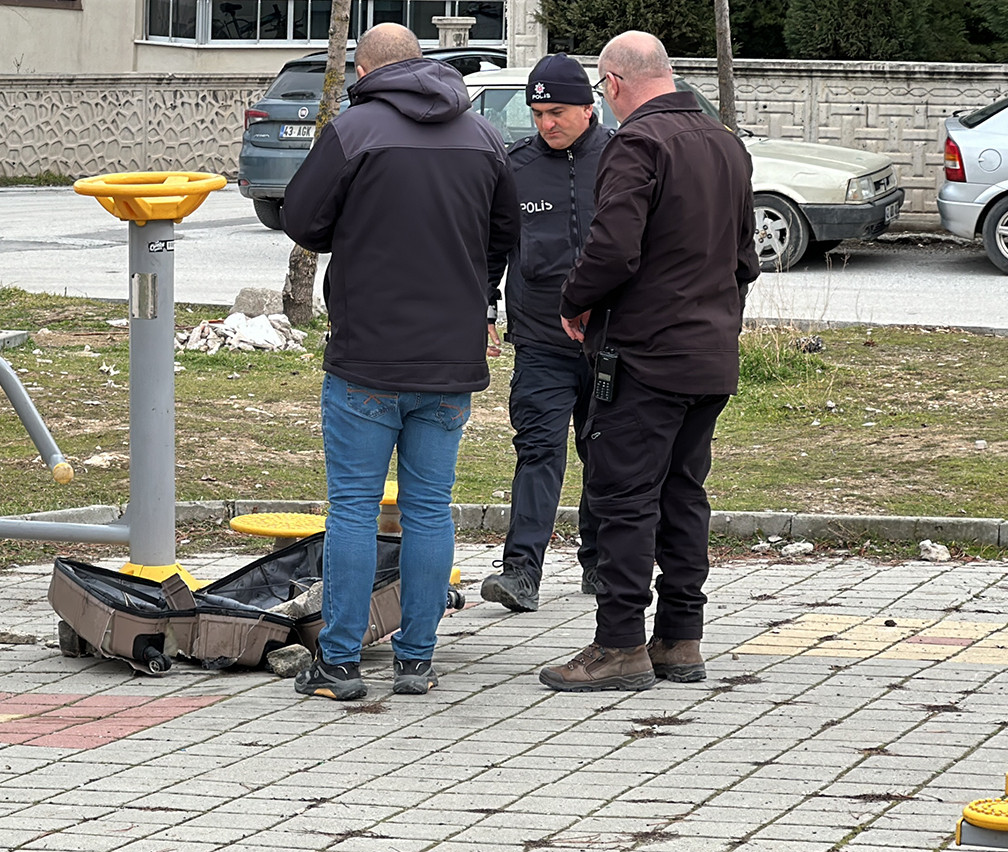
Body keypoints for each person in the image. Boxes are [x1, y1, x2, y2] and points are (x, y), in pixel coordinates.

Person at [282, 23, 519, 700]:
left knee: (354, 508)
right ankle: (417, 661)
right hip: (450, 358)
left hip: (368, 355)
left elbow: (303, 219)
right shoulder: (483, 136)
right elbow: (506, 234)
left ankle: (340, 665)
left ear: (365, 68)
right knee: (429, 508)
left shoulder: (356, 131)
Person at [539, 31, 759, 691]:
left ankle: (619, 645)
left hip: (644, 356)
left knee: (624, 498)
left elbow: (613, 249)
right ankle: (681, 638)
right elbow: (745, 257)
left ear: (610, 84)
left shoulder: (637, 144)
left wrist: (574, 302)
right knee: (684, 494)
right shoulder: (727, 143)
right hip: (710, 355)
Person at [480, 53, 611, 614]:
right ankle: (521, 572)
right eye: (536, 114)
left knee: (605, 454)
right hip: (539, 340)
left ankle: (601, 566)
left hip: (612, 341)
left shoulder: (623, 158)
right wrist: (484, 308)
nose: (545, 124)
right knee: (538, 450)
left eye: (556, 112)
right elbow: (489, 249)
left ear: (589, 108)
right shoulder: (516, 167)